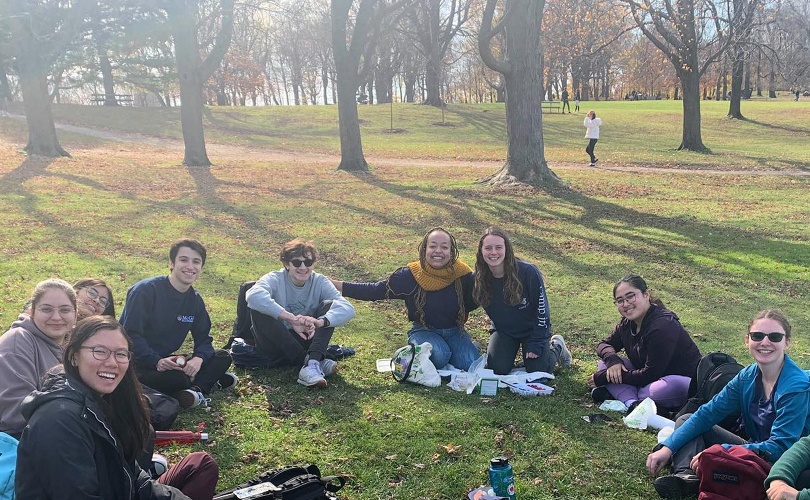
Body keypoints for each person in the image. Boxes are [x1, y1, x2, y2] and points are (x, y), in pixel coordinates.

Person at [15, 316, 219, 499]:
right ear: (74, 356)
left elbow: (133, 478)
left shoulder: (106, 403)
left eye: (121, 354)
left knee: (201, 465)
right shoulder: (59, 421)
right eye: (100, 351)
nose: (112, 363)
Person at [646, 309, 810, 499]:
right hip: (755, 449)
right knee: (687, 419)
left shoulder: (795, 386)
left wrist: (723, 451)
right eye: (757, 336)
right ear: (747, 340)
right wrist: (668, 447)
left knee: (799, 479)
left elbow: (781, 446)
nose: (765, 342)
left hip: (785, 464)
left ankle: (719, 473)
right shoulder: (746, 377)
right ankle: (687, 477)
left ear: (786, 342)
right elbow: (707, 414)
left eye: (774, 337)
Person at [331, 227, 479, 371]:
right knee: (440, 356)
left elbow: (482, 295)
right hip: (423, 330)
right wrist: (335, 285)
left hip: (454, 331)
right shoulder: (410, 275)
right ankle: (416, 350)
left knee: (470, 363)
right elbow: (374, 291)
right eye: (433, 246)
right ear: (424, 249)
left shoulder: (463, 275)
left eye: (444, 247)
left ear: (451, 252)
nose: (438, 251)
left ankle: (460, 349)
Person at [120, 238, 235, 409]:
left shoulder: (194, 300)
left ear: (201, 268)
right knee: (177, 378)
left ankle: (194, 390)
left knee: (223, 356)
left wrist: (198, 359)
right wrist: (157, 361)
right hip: (137, 364)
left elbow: (204, 338)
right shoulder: (145, 291)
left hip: (170, 361)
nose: (190, 266)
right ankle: (206, 382)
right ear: (171, 263)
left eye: (196, 262)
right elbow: (129, 335)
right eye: (183, 260)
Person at [245, 238, 355, 388]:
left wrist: (319, 322)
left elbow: (347, 308)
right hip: (274, 342)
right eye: (297, 263)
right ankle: (310, 362)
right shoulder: (275, 278)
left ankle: (313, 362)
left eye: (308, 262)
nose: (303, 267)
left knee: (330, 305)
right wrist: (291, 319)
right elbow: (253, 295)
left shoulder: (319, 281)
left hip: (306, 339)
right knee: (258, 308)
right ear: (286, 264)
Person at [588, 274, 701, 412]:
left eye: (630, 296)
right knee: (605, 364)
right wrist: (613, 361)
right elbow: (604, 345)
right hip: (646, 379)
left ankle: (626, 397)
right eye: (620, 300)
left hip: (677, 383)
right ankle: (633, 404)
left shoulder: (662, 326)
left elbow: (650, 374)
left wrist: (605, 378)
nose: (626, 304)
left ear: (646, 295)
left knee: (667, 387)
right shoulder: (627, 323)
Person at [473, 227, 571, 375]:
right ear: (481, 251)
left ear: (507, 249)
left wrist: (537, 342)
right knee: (497, 369)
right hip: (504, 330)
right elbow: (464, 303)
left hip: (532, 330)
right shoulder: (478, 278)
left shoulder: (528, 272)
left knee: (537, 370)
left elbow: (542, 311)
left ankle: (557, 346)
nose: (493, 252)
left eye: (498, 247)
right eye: (488, 248)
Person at [0, 279, 77, 438]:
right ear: (33, 312)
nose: (56, 317)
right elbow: (17, 415)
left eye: (65, 310)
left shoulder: (74, 345)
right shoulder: (18, 341)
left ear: (75, 315)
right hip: (25, 440)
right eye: (46, 309)